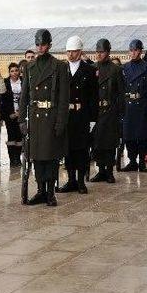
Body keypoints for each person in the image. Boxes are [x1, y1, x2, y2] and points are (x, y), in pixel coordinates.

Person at [19, 29, 69, 207]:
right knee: (37, 156)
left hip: (51, 116)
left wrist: (61, 121)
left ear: (50, 45)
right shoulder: (29, 67)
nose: (41, 48)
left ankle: (50, 192)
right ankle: (40, 190)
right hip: (35, 117)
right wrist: (21, 120)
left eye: (44, 44)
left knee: (51, 157)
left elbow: (64, 98)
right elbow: (24, 96)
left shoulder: (60, 66)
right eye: (38, 44)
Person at [57, 36, 97, 194]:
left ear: (80, 52)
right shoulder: (62, 69)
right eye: (68, 51)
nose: (71, 54)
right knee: (68, 149)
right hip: (67, 115)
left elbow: (94, 96)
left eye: (74, 51)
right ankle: (71, 180)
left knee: (81, 149)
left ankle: (81, 181)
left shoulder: (89, 70)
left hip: (82, 115)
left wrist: (93, 118)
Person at [90, 38, 125, 183]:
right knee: (97, 142)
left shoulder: (116, 69)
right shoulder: (92, 68)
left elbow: (121, 92)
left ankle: (109, 171)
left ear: (108, 52)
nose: (99, 54)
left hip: (110, 110)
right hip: (96, 110)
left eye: (102, 52)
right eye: (97, 52)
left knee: (110, 142)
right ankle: (101, 170)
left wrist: (119, 111)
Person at [120, 39, 147, 172]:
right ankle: (132, 160)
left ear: (140, 51)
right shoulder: (124, 68)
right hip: (128, 106)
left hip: (142, 105)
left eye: (136, 50)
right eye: (131, 50)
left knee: (142, 135)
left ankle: (142, 160)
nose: (133, 53)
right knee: (128, 136)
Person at [0, 62, 23, 168]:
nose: (14, 73)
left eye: (16, 70)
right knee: (11, 136)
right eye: (12, 71)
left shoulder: (23, 82)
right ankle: (12, 159)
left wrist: (20, 112)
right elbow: (3, 100)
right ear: (9, 72)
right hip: (9, 115)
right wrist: (9, 114)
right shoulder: (5, 82)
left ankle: (18, 159)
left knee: (19, 136)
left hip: (21, 114)